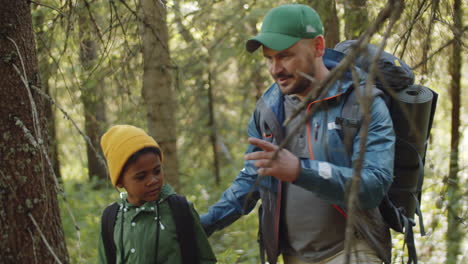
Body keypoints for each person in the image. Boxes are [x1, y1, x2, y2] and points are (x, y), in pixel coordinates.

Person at [201, 4, 395, 264]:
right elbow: (251, 180)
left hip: (353, 250)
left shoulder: (361, 101)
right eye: (269, 59)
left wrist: (301, 171)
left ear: (317, 47)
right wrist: (203, 225)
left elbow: (373, 185)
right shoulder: (269, 109)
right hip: (292, 257)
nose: (274, 69)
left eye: (285, 56)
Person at [98, 125, 217, 264]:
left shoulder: (179, 209)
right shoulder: (111, 219)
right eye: (141, 176)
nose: (153, 180)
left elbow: (205, 259)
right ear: (119, 181)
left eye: (157, 171)